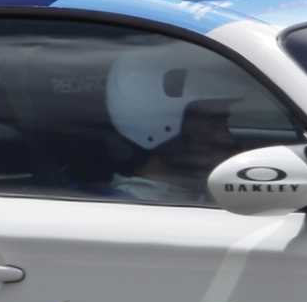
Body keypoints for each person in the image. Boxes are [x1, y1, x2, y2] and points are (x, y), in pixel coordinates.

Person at [104, 46, 252, 205]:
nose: (227, 138)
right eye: (213, 122)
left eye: (224, 121)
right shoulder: (133, 217)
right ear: (156, 123)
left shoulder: (189, 199)